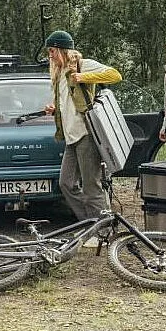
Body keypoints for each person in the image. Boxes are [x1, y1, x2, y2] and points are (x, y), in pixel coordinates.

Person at [43, 30, 122, 224]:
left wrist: (85, 77)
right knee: (66, 183)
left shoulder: (82, 65)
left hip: (86, 134)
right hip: (71, 136)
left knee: (91, 187)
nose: (50, 55)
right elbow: (70, 102)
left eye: (52, 51)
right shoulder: (59, 73)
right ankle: (90, 222)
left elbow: (115, 75)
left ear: (62, 50)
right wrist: (55, 109)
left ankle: (101, 228)